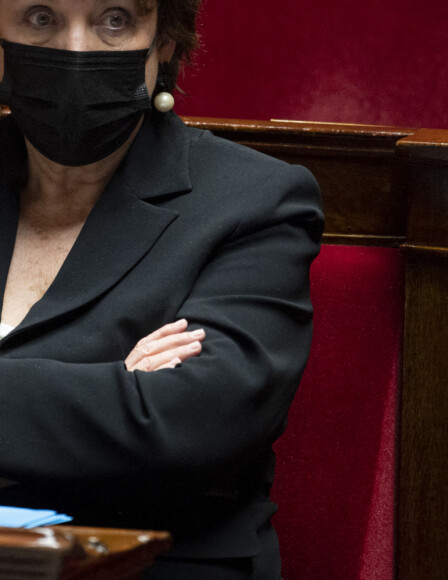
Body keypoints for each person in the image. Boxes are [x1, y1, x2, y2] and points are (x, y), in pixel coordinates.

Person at [0, 1, 323, 578]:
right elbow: (135, 420)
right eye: (40, 17)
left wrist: (145, 413)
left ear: (166, 41)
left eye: (115, 19)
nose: (77, 50)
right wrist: (113, 387)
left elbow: (190, 422)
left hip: (157, 564)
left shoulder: (256, 199)